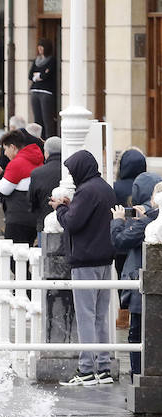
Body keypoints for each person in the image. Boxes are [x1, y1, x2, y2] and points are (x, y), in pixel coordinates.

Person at [50, 150, 118, 386]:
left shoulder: (86, 190)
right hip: (105, 260)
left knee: (86, 316)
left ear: (80, 168)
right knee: (100, 317)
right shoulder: (105, 188)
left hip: (85, 261)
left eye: (72, 171)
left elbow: (72, 222)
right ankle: (104, 368)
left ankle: (86, 369)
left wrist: (60, 208)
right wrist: (71, 205)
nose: (71, 176)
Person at [111, 173, 162, 375]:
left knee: (137, 333)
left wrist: (119, 221)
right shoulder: (147, 218)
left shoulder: (147, 221)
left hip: (140, 282)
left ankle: (137, 375)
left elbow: (120, 241)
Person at [0, 128, 44, 245]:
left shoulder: (17, 163)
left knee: (14, 260)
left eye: (5, 149)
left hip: (18, 220)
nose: (5, 153)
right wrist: (2, 173)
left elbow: (2, 190)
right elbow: (19, 183)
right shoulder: (35, 158)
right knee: (25, 258)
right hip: (33, 219)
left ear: (13, 147)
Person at [113, 148, 151, 327]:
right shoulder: (148, 185)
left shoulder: (116, 187)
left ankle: (123, 315)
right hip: (141, 240)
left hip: (122, 240)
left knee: (123, 276)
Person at [28, 136, 63, 242]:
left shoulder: (37, 173)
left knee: (44, 256)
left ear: (46, 153)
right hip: (67, 224)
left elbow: (31, 201)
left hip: (44, 223)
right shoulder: (69, 170)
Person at [29, 40, 58, 138]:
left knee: (47, 119)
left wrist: (39, 75)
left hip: (46, 92)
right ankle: (39, 140)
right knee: (37, 119)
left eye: (42, 47)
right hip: (35, 91)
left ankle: (49, 140)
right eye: (39, 47)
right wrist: (40, 75)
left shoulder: (52, 60)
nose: (40, 49)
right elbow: (30, 75)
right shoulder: (36, 60)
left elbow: (46, 75)